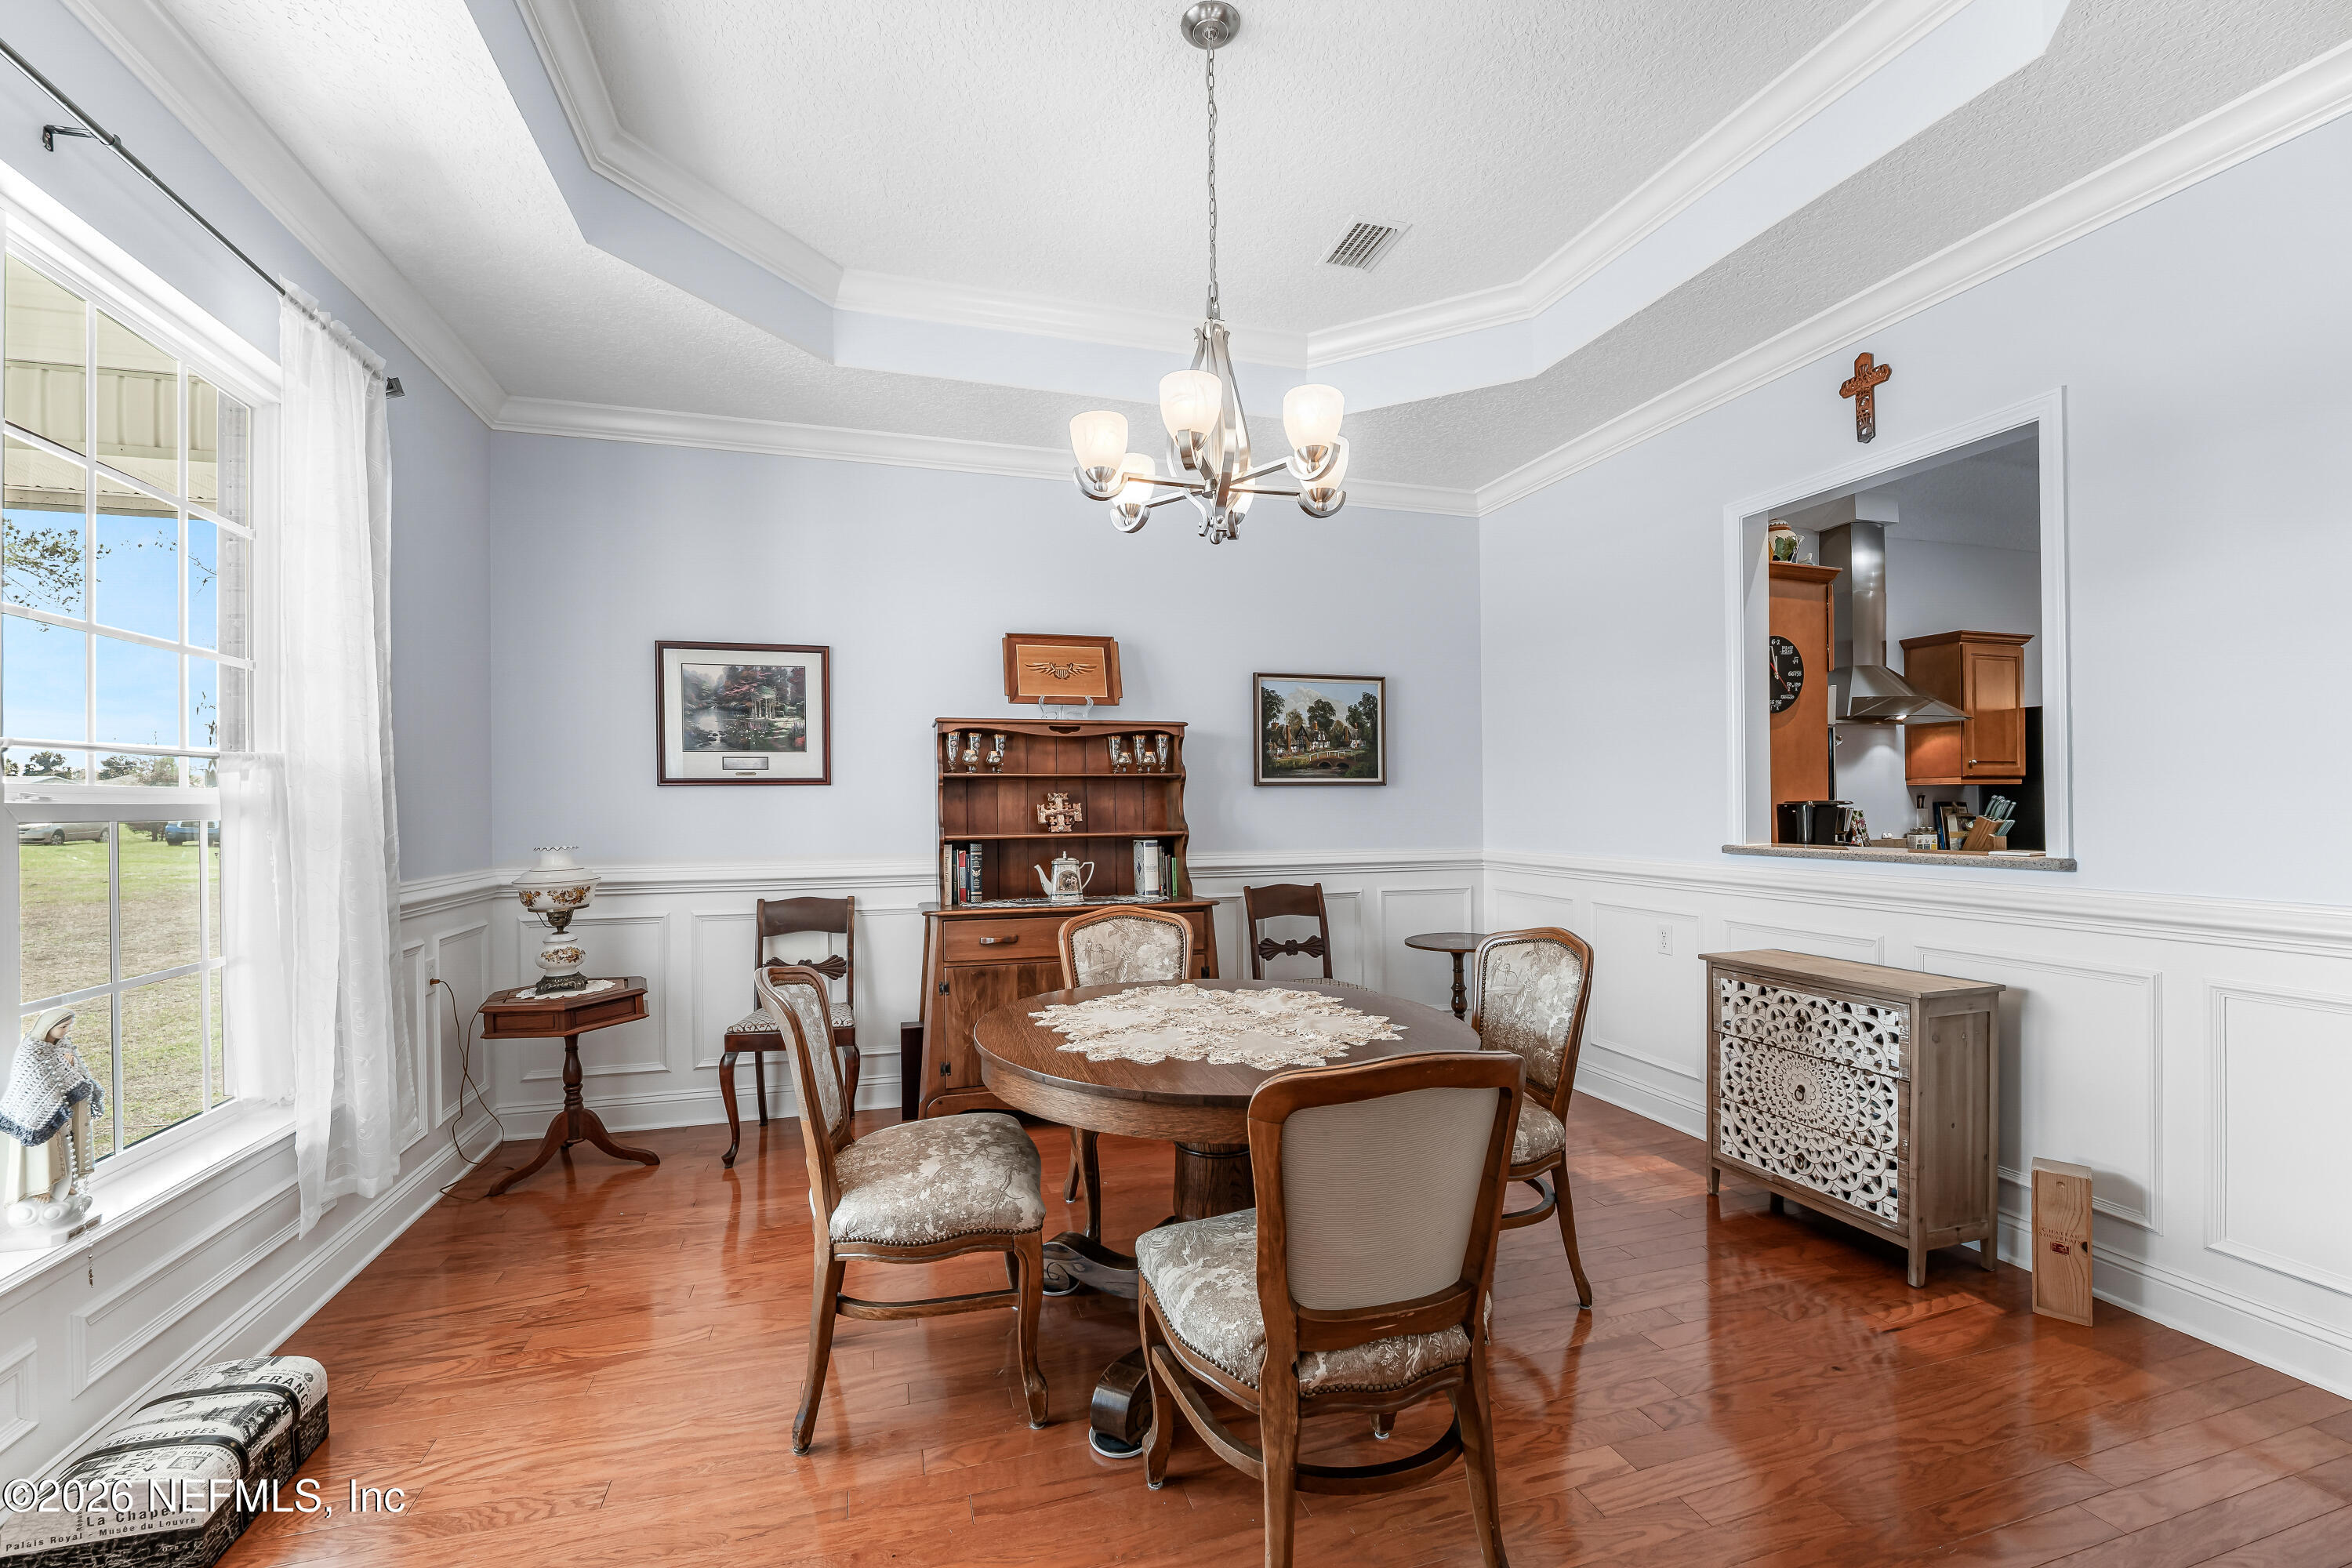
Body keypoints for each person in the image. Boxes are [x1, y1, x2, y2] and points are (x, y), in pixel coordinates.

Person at [0, 1006, 103, 1236]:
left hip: (62, 1113)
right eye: (63, 1027)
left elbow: (77, 1077)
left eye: (69, 1027)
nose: (66, 1031)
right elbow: (38, 1085)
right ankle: (41, 1187)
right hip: (36, 1114)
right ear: (49, 1027)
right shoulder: (30, 1052)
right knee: (43, 1152)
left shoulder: (64, 1048)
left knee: (65, 1151)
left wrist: (70, 1066)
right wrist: (64, 1072)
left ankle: (63, 1188)